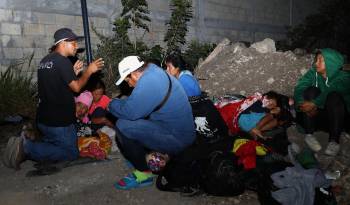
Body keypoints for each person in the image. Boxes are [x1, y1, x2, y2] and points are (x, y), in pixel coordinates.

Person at [2, 28, 104, 170]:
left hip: (44, 118)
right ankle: (26, 147)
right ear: (63, 43)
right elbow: (76, 88)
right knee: (70, 154)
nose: (76, 47)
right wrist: (89, 71)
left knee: (53, 146)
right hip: (59, 121)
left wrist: (72, 73)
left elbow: (58, 85)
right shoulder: (62, 62)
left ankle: (31, 146)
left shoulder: (46, 60)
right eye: (73, 43)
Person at [108, 56, 195, 190]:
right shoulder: (153, 72)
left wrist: (111, 103)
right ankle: (140, 157)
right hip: (177, 131)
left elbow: (130, 112)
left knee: (123, 125)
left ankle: (144, 173)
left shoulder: (149, 83)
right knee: (131, 120)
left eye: (127, 80)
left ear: (134, 74)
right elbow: (135, 103)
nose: (129, 84)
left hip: (177, 138)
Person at [294, 48, 350, 156]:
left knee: (334, 96)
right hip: (319, 116)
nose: (316, 63)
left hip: (340, 120)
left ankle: (334, 141)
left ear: (331, 62)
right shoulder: (313, 73)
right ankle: (309, 135)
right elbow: (300, 86)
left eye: (320, 60)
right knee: (311, 90)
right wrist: (302, 105)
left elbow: (332, 89)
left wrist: (314, 104)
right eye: (316, 59)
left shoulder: (345, 77)